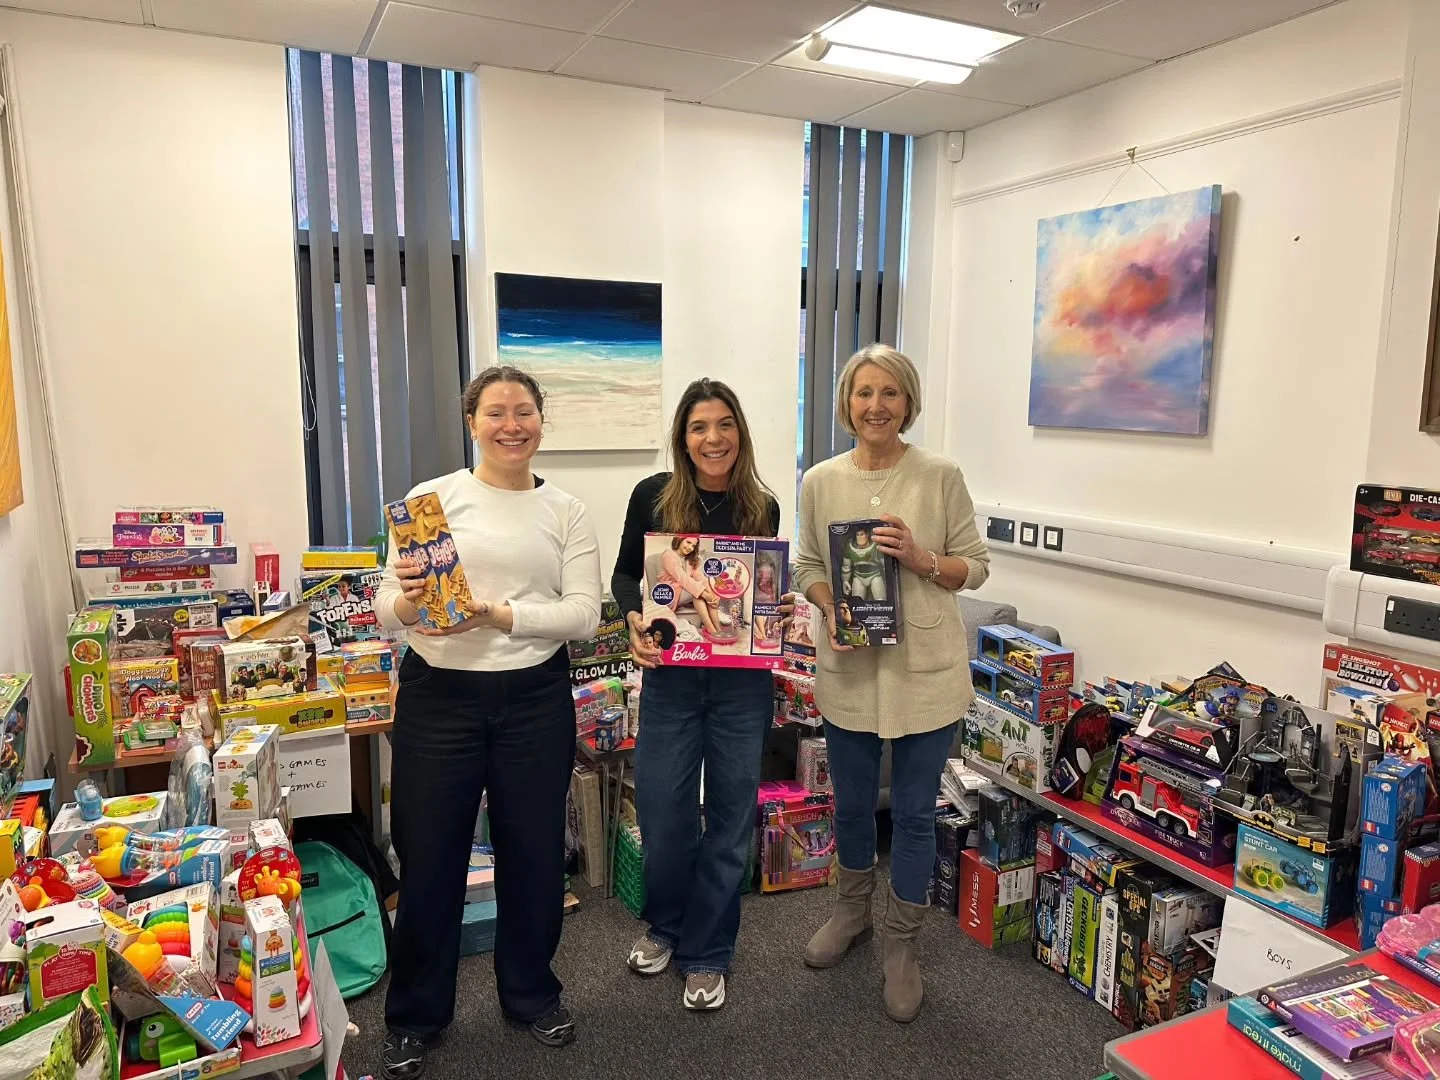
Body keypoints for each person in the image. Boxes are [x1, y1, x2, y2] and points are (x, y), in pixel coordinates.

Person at [375, 365, 602, 1078]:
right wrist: (410, 603)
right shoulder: (431, 501)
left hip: (534, 697)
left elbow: (584, 615)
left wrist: (498, 615)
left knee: (533, 854)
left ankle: (531, 995)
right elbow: (386, 607)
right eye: (496, 412)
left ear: (541, 421)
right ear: (471, 421)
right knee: (430, 858)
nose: (511, 425)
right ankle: (416, 1015)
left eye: (524, 411)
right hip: (438, 697)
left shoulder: (565, 510)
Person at [793, 343, 990, 1024]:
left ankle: (902, 945)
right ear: (846, 403)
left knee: (911, 815)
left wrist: (921, 557)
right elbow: (807, 565)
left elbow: (975, 567)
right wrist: (830, 606)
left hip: (924, 675)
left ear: (908, 402)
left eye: (889, 393)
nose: (875, 406)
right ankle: (852, 914)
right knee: (850, 807)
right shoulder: (820, 479)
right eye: (863, 393)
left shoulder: (940, 475)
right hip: (850, 669)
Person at [611, 377, 791, 1012]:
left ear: (739, 432)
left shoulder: (761, 506)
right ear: (682, 438)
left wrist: (777, 608)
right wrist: (633, 620)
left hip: (742, 686)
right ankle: (667, 924)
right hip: (672, 681)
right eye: (698, 427)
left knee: (732, 817)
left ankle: (709, 949)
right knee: (664, 812)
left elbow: (763, 589)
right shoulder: (652, 497)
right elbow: (625, 577)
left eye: (724, 425)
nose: (713, 438)